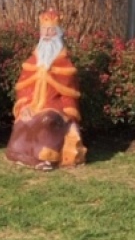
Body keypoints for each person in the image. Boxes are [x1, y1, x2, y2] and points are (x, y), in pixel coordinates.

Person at [5, 9, 87, 171]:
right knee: (23, 121)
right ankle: (20, 154)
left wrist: (69, 116)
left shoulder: (65, 65)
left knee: (47, 121)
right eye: (44, 30)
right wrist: (24, 107)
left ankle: (47, 158)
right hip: (32, 105)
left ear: (58, 33)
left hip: (55, 107)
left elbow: (69, 93)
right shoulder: (32, 62)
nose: (47, 34)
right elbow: (24, 89)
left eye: (51, 30)